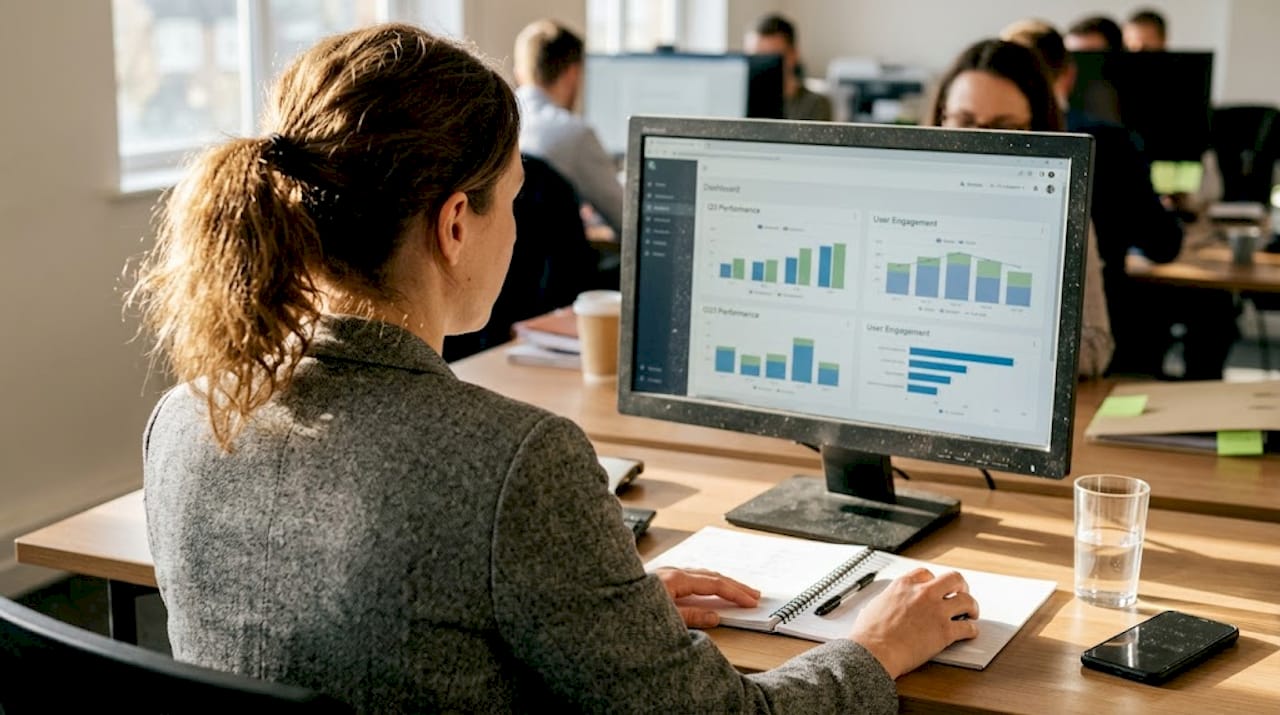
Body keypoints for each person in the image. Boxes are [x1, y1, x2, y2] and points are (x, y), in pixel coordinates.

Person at [128, 23, 981, 713]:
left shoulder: (188, 417)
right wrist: (875, 646)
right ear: (455, 223)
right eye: (515, 194)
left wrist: (594, 603)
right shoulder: (514, 461)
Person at [1000, 19, 1192, 378]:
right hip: (1107, 340)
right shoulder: (1110, 141)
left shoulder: (973, 144)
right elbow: (1163, 245)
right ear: (1068, 75)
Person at [924, 39, 1115, 377]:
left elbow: (1096, 345)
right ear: (940, 118)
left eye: (1004, 129)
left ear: (1039, 130)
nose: (980, 144)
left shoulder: (1065, 211)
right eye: (964, 121)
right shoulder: (903, 202)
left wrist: (1000, 344)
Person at [513, 19, 624, 236]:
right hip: (558, 268)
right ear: (573, 74)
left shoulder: (496, 124)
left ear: (519, 73)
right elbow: (625, 219)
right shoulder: (576, 135)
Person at [745, 13, 833, 122]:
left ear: (793, 55)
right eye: (756, 57)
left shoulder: (815, 104)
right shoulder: (741, 101)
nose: (763, 65)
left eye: (771, 58)